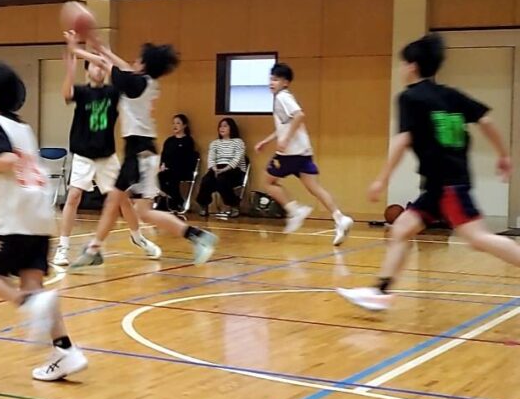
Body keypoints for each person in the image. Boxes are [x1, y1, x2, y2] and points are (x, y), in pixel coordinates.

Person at [338, 33, 520, 312]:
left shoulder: (410, 97)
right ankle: (380, 292)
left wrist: (382, 179)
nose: (401, 69)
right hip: (438, 185)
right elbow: (486, 120)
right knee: (401, 229)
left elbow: (403, 140)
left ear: (412, 66)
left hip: (448, 185)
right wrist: (503, 155)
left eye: (403, 64)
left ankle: (380, 291)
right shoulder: (451, 95)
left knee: (477, 239)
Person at [0, 60, 88, 381]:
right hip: (41, 218)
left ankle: (25, 303)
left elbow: (7, 161)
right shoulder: (23, 128)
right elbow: (18, 170)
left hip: (14, 219)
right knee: (37, 287)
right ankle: (65, 351)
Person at [67, 34, 218, 269]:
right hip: (145, 151)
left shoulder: (134, 84)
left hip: (138, 152)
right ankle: (197, 236)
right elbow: (121, 67)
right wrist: (102, 48)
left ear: (144, 65)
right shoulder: (145, 81)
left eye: (138, 60)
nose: (133, 62)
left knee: (115, 201)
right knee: (141, 211)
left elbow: (109, 66)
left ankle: (94, 249)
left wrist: (75, 50)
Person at [53, 43, 161, 268]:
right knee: (73, 197)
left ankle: (138, 237)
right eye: (94, 65)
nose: (99, 69)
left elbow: (128, 76)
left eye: (101, 66)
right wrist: (70, 70)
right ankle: (63, 247)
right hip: (83, 154)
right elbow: (66, 94)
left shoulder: (113, 92)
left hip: (106, 155)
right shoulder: (82, 92)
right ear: (87, 70)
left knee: (123, 200)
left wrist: (108, 55)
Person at [254, 62, 354, 246]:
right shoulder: (283, 98)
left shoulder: (282, 97)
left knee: (267, 182)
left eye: (276, 79)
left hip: (289, 153)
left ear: (285, 82)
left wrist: (285, 140)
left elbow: (299, 115)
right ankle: (340, 218)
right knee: (314, 188)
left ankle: (294, 211)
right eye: (271, 79)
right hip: (303, 151)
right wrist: (267, 141)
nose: (271, 83)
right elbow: (285, 125)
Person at [196, 117, 247, 218]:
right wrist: (214, 169)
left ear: (231, 128)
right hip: (217, 168)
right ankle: (203, 205)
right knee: (206, 180)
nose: (222, 128)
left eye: (225, 126)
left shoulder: (238, 142)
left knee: (222, 180)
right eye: (220, 126)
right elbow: (211, 158)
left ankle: (234, 204)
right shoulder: (214, 143)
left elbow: (237, 159)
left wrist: (224, 169)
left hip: (233, 169)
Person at [157, 113, 199, 213]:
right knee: (160, 176)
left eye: (178, 123)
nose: (175, 125)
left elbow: (186, 158)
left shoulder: (188, 141)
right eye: (174, 123)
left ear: (184, 125)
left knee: (171, 177)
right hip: (168, 169)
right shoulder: (169, 141)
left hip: (183, 169)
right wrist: (162, 165)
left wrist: (170, 166)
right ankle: (172, 201)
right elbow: (164, 155)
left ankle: (174, 202)